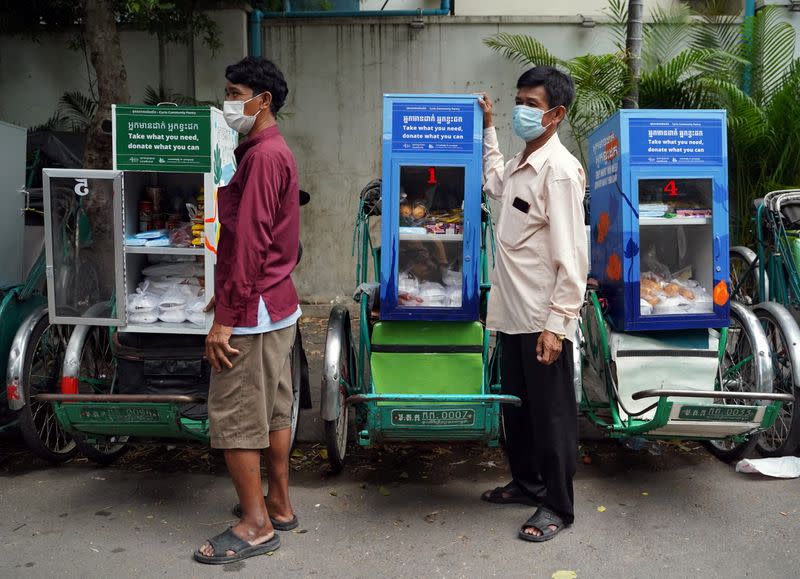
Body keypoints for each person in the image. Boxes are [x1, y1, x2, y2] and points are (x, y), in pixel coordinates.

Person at [195, 56, 301, 565]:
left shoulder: (262, 156)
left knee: (237, 413)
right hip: (276, 303)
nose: (228, 102)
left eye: (235, 92)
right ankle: (277, 504)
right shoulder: (270, 151)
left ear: (264, 101)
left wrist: (226, 318)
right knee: (275, 409)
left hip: (255, 310)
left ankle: (256, 525)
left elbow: (251, 241)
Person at [478, 67, 588, 542]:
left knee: (552, 417)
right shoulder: (526, 160)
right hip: (512, 314)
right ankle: (527, 483)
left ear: (556, 113)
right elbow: (495, 183)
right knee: (518, 411)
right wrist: (487, 128)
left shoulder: (560, 172)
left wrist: (557, 324)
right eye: (517, 99)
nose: (520, 109)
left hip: (542, 320)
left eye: (530, 102)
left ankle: (558, 507)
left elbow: (573, 258)